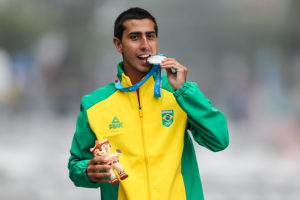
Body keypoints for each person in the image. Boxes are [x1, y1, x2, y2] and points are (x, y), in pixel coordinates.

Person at [68, 7, 229, 200]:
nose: (145, 45)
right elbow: (76, 166)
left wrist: (185, 91)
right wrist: (88, 171)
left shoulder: (180, 95)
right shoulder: (94, 104)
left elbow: (219, 140)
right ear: (118, 44)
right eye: (135, 37)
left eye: (150, 36)